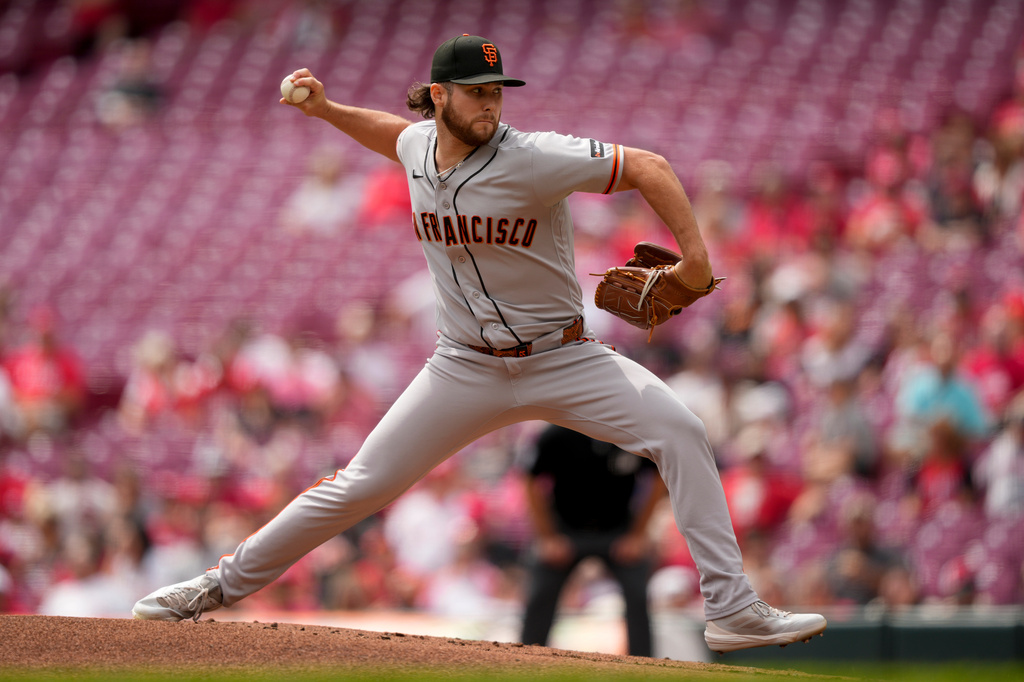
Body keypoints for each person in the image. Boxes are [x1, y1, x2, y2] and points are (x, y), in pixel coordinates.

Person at [132, 34, 826, 654]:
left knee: (680, 429)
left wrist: (696, 262)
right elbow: (393, 135)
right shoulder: (416, 145)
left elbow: (649, 165)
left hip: (562, 356)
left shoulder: (534, 157)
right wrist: (328, 109)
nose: (491, 105)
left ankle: (732, 608)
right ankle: (213, 590)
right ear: (439, 97)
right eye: (476, 93)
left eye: (497, 91)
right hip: (461, 365)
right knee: (357, 486)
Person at [519, 424, 666, 657]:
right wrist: (547, 537)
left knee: (638, 593)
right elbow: (529, 478)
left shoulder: (631, 434)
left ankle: (644, 666)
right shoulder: (557, 433)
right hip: (565, 529)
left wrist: (637, 535)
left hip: (619, 530)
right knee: (540, 591)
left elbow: (659, 477)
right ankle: (526, 661)